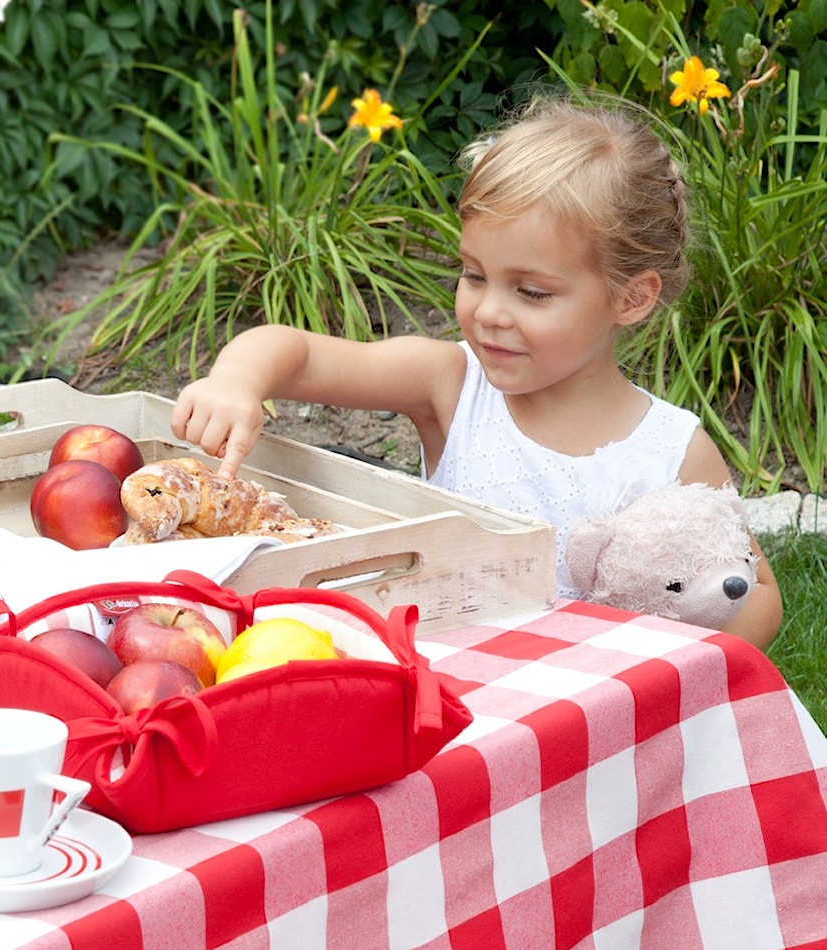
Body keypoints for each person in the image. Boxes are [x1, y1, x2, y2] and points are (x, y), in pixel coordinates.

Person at [170, 94, 782, 649]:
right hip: (443, 698)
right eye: (474, 275)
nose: (489, 312)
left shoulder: (671, 453)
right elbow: (298, 353)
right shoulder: (453, 387)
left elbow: (757, 597)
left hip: (589, 715)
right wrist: (238, 380)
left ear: (631, 298)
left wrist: (667, 677)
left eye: (532, 293)